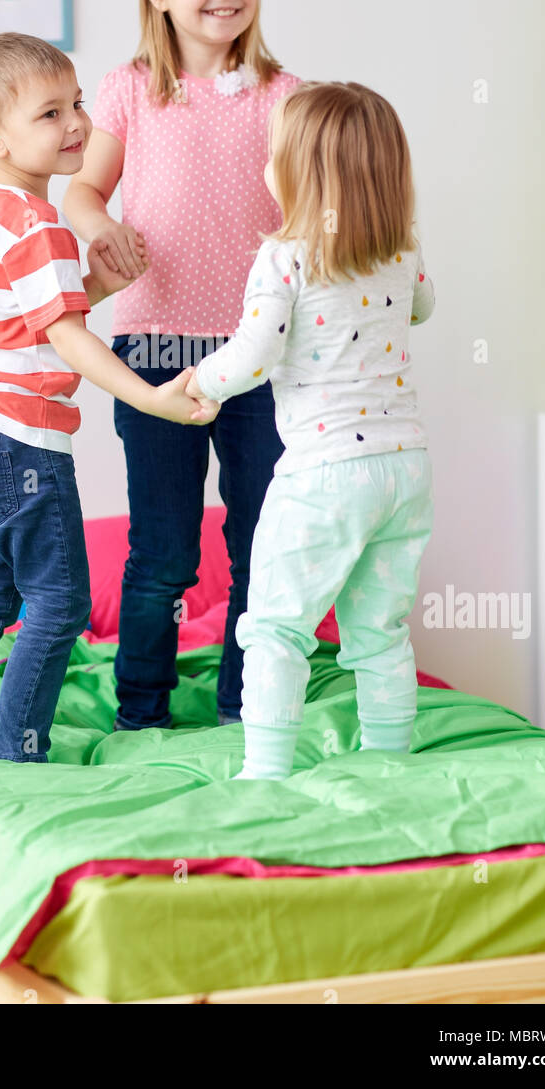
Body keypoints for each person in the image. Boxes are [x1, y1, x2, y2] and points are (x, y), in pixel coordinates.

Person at [0, 33, 216, 764]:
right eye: (50, 114)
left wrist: (103, 287)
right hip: (15, 440)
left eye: (77, 103)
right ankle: (19, 752)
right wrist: (152, 399)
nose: (77, 123)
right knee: (60, 604)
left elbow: (33, 317)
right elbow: (70, 341)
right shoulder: (41, 223)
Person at [63, 0, 300, 730]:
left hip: (263, 355)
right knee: (163, 553)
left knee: (259, 545)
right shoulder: (130, 90)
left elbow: (311, 206)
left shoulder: (286, 96)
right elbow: (83, 189)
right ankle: (141, 709)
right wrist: (101, 230)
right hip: (155, 352)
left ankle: (245, 705)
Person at [187, 81, 436, 779]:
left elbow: (253, 356)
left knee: (273, 627)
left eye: (275, 153)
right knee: (380, 630)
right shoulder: (402, 252)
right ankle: (391, 765)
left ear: (299, 173)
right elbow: (421, 308)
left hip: (325, 473)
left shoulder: (285, 257)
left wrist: (198, 384)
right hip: (405, 468)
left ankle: (265, 774)